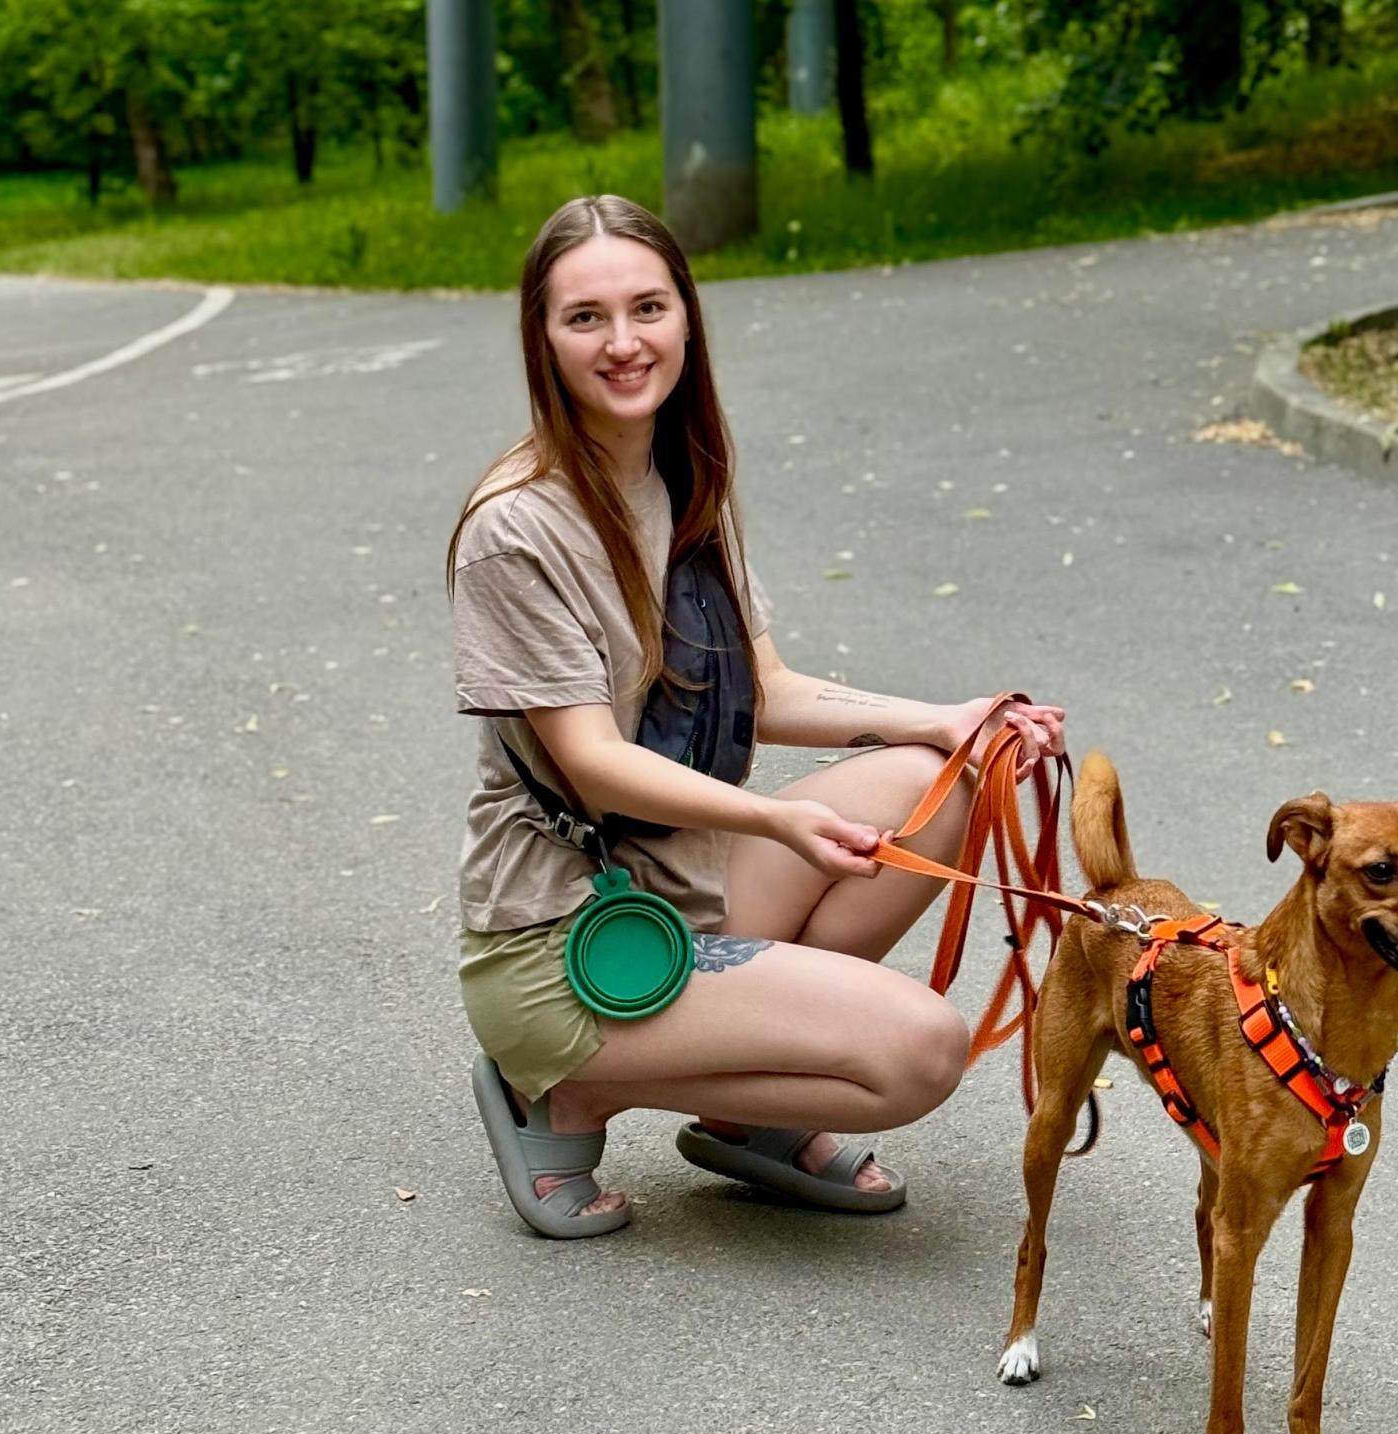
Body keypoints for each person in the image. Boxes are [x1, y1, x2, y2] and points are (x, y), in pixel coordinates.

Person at [448, 194, 1066, 1238]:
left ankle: (740, 1109)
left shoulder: (680, 481)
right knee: (922, 1052)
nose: (624, 342)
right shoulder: (516, 529)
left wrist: (947, 719)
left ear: (686, 315)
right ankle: (556, 1088)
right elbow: (592, 764)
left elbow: (764, 687)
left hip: (678, 880)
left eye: (647, 308)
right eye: (584, 318)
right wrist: (775, 821)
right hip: (565, 932)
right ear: (542, 341)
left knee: (942, 777)